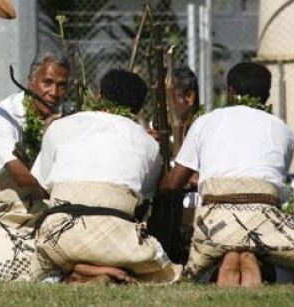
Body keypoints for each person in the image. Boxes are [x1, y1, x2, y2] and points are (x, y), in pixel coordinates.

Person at [160, 62, 294, 286]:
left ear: (229, 91)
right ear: (267, 95)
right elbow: (272, 183)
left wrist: (158, 184)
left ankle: (227, 258)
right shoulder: (284, 132)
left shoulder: (205, 122)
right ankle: (256, 262)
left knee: (204, 262)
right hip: (264, 223)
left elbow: (172, 185)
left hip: (215, 224)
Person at [29, 69, 181, 284]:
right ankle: (103, 266)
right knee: (151, 265)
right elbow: (145, 196)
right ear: (137, 109)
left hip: (59, 237)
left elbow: (42, 184)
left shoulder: (59, 126)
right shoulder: (147, 143)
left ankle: (80, 268)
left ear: (99, 96)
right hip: (116, 240)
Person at [0, 50, 69, 282]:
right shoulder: (2, 117)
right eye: (47, 82)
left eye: (61, 85)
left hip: (45, 209)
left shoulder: (67, 118)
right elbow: (23, 178)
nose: (54, 93)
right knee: (1, 272)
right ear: (31, 81)